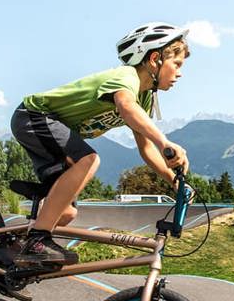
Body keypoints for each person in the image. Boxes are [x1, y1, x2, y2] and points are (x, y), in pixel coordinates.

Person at [10, 22, 191, 265]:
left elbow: (146, 149)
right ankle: (36, 241)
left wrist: (175, 181)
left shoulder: (145, 97)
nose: (180, 73)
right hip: (33, 117)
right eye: (176, 64)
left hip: (53, 132)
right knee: (89, 160)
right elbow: (126, 107)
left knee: (65, 213)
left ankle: (9, 251)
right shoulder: (127, 77)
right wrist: (165, 141)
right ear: (155, 59)